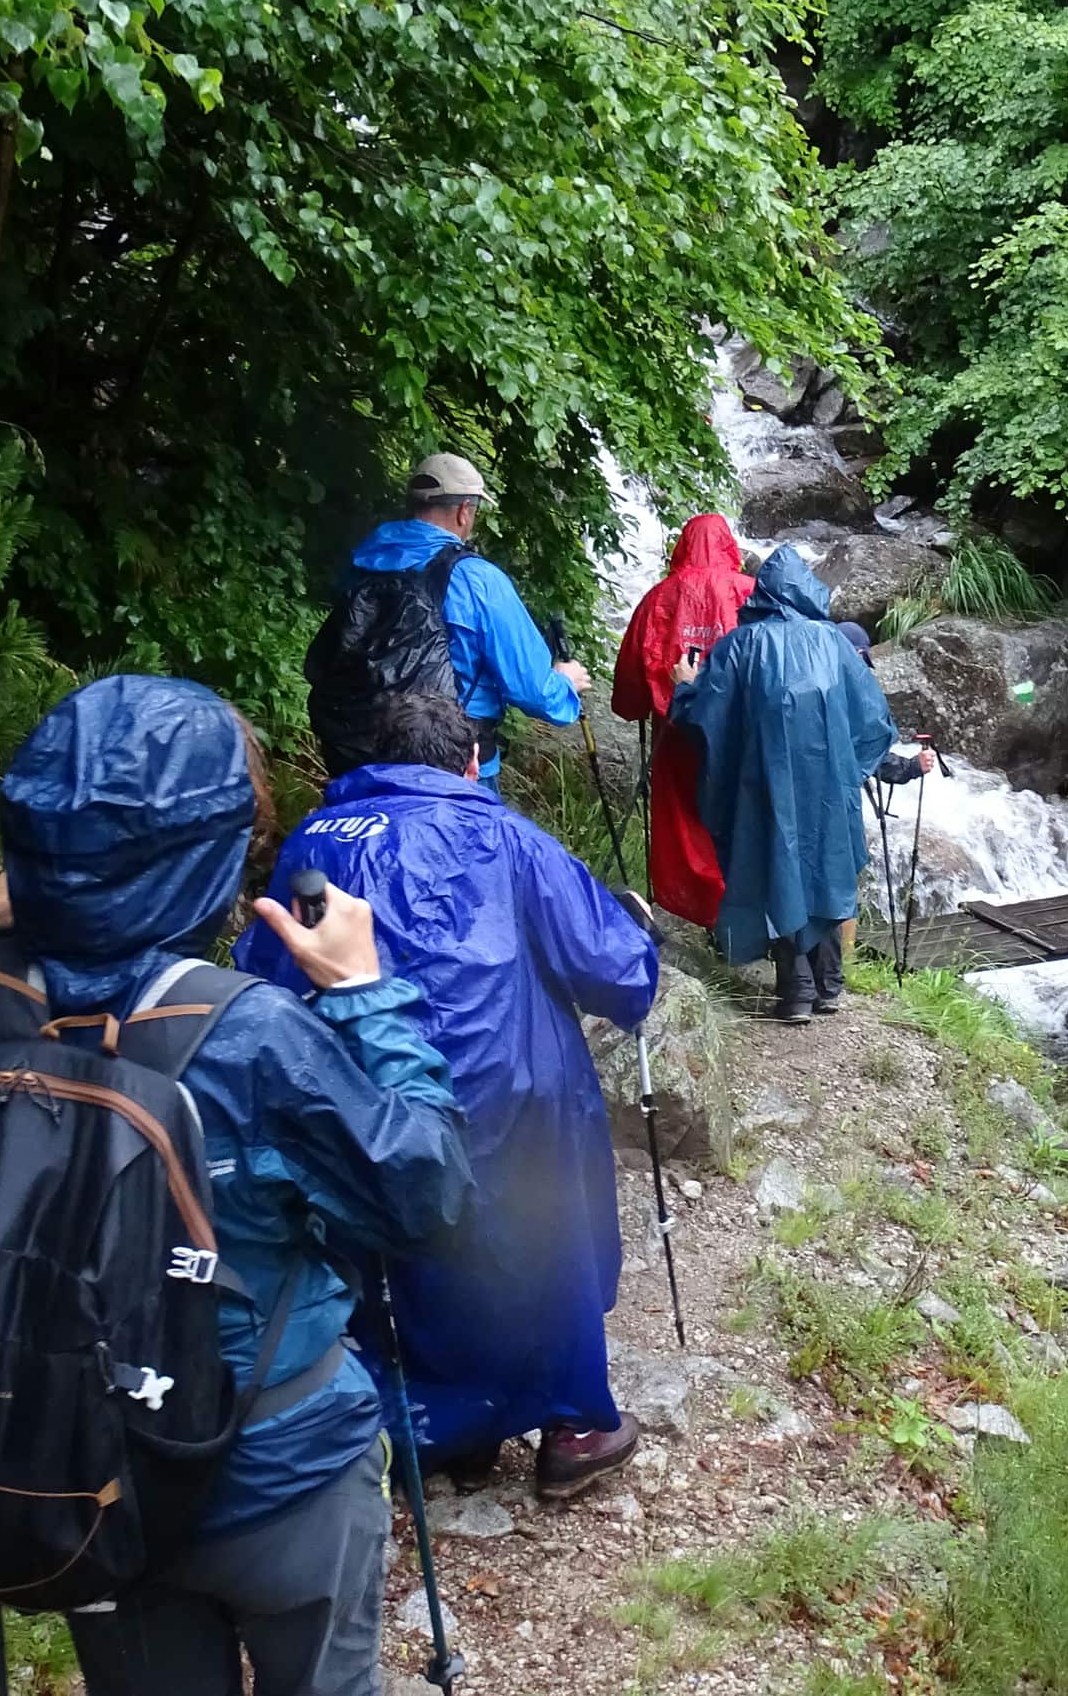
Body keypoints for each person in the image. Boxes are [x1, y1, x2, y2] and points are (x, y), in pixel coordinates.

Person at [0, 675, 471, 1696]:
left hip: (79, 1463)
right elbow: (426, 1193)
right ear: (211, 854)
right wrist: (363, 992)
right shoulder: (255, 1033)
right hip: (279, 1465)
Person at [229, 695, 661, 1500]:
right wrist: (643, 953)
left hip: (358, 1085)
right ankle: (573, 1427)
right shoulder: (508, 837)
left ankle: (436, 1428)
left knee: (391, 1250)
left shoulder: (314, 842)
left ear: (370, 762)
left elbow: (265, 969)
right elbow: (613, 968)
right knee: (542, 1237)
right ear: (470, 764)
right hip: (509, 1083)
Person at [668, 547, 929, 1020]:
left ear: (763, 594)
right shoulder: (834, 644)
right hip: (829, 790)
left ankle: (797, 993)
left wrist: (685, 685)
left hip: (763, 786)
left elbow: (703, 719)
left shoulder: (740, 645)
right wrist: (854, 769)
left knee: (778, 869)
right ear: (807, 590)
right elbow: (872, 721)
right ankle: (828, 986)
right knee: (824, 873)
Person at [307, 452, 587, 779]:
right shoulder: (478, 580)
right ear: (464, 511)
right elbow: (532, 691)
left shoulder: (364, 559)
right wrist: (565, 683)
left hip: (358, 755)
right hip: (450, 764)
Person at [610, 513, 756, 929]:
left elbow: (631, 676)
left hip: (675, 736)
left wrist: (635, 705)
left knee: (684, 823)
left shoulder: (659, 597)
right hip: (739, 735)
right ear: (729, 546)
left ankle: (691, 909)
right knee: (739, 815)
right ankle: (739, 913)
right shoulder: (750, 592)